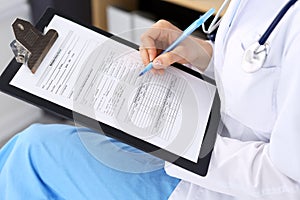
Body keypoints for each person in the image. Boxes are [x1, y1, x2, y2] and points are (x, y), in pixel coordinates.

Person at [1, 0, 300, 199]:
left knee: (32, 155)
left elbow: (290, 182)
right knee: (33, 147)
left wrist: (181, 144)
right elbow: (262, 66)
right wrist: (204, 55)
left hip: (225, 183)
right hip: (208, 137)